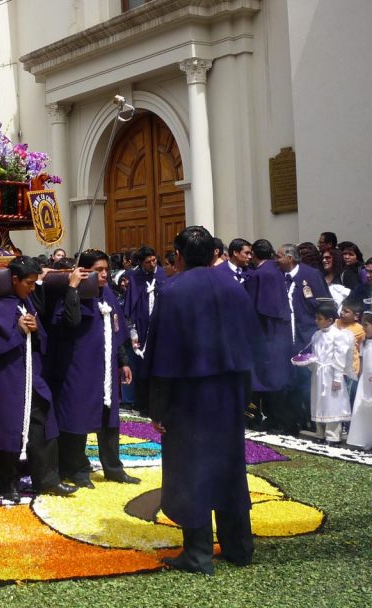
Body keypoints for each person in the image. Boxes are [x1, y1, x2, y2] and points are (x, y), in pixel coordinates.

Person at [145, 226, 261, 575]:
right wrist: (246, 395)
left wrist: (157, 408)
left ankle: (197, 553)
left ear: (178, 254)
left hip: (188, 397)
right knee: (228, 467)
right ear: (214, 253)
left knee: (191, 470)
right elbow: (250, 343)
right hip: (227, 394)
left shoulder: (173, 290)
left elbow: (162, 355)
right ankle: (239, 546)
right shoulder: (232, 286)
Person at [0, 256, 77, 502]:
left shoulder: (25, 300)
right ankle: (7, 484)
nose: (32, 288)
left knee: (43, 421)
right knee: (4, 429)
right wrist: (17, 330)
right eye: (29, 282)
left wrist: (36, 330)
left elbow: (40, 340)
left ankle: (48, 479)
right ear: (14, 279)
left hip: (29, 375)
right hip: (2, 380)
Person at [48, 250, 139, 486]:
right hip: (80, 367)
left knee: (110, 419)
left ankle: (113, 467)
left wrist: (124, 361)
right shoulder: (72, 293)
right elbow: (70, 322)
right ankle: (77, 469)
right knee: (77, 417)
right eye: (98, 270)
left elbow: (116, 329)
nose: (104, 275)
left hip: (107, 367)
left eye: (106, 270)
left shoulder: (107, 293)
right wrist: (73, 288)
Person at [276, 244, 331, 429]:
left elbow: (326, 306)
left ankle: (313, 420)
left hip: (307, 338)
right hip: (285, 340)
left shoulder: (311, 275)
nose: (276, 260)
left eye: (279, 256)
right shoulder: (277, 277)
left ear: (290, 258)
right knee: (290, 383)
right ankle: (295, 421)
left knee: (307, 384)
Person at [244, 239, 294, 434]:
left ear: (255, 255)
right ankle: (274, 420)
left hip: (267, 334)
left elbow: (257, 307)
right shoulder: (275, 271)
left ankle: (281, 422)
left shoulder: (262, 274)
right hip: (278, 333)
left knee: (271, 379)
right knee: (274, 379)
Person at [291, 298, 354, 444]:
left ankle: (333, 435)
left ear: (330, 320)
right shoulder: (317, 335)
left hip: (331, 374)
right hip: (319, 374)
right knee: (319, 402)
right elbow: (314, 355)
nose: (316, 321)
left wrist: (337, 378)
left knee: (332, 403)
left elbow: (339, 358)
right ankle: (320, 433)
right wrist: (309, 363)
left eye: (319, 318)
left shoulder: (338, 335)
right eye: (316, 318)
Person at [123, 246, 166, 413]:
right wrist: (132, 331)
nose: (152, 264)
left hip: (159, 326)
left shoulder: (162, 274)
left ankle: (156, 404)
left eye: (154, 260)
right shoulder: (134, 277)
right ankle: (140, 403)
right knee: (141, 366)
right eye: (148, 262)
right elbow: (129, 307)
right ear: (141, 262)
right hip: (140, 327)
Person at [347, 311, 372, 449]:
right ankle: (364, 439)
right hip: (365, 383)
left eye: (367, 325)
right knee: (363, 409)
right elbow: (363, 363)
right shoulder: (365, 343)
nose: (364, 328)